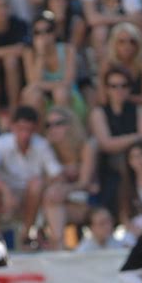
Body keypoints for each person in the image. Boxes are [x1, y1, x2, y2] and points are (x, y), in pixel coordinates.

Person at [0, 105, 62, 247]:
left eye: (28, 130)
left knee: (36, 184)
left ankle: (27, 233)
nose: (25, 135)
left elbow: (56, 175)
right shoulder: (1, 143)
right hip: (5, 195)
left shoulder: (42, 145)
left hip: (30, 197)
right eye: (21, 129)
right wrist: (5, 191)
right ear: (13, 127)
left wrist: (41, 185)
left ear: (35, 129)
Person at [90, 65, 142, 218]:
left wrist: (121, 143)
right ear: (106, 89)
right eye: (113, 86)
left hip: (138, 164)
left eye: (124, 85)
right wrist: (135, 137)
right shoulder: (98, 112)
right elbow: (106, 144)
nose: (119, 90)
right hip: (110, 170)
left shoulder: (139, 110)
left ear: (130, 88)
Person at [42, 106, 96, 249]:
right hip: (59, 202)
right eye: (49, 125)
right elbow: (47, 180)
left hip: (89, 201)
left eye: (58, 123)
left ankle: (57, 245)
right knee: (52, 198)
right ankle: (59, 244)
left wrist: (65, 188)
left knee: (53, 196)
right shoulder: (48, 148)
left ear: (71, 124)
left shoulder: (86, 146)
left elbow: (84, 183)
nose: (53, 128)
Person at [22, 13, 87, 125]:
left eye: (48, 30)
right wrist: (41, 54)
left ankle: (65, 134)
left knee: (60, 93)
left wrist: (42, 85)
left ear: (54, 32)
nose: (43, 36)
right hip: (44, 100)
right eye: (38, 32)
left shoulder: (68, 49)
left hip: (69, 98)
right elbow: (32, 82)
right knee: (33, 95)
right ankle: (40, 137)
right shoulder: (29, 53)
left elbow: (68, 82)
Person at [97, 21, 142, 106]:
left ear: (138, 44)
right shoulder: (107, 63)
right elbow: (102, 99)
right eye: (121, 42)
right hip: (113, 110)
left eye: (132, 42)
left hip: (141, 110)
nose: (127, 46)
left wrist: (121, 97)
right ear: (114, 44)